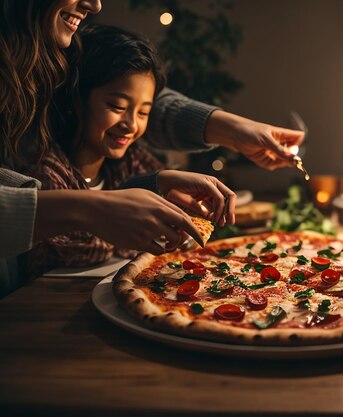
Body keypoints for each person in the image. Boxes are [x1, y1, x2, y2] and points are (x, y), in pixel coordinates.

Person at [0, 0, 303, 295]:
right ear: (75, 99)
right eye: (116, 106)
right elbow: (71, 242)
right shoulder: (47, 166)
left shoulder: (128, 159)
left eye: (143, 112)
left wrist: (162, 191)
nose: (95, 5)